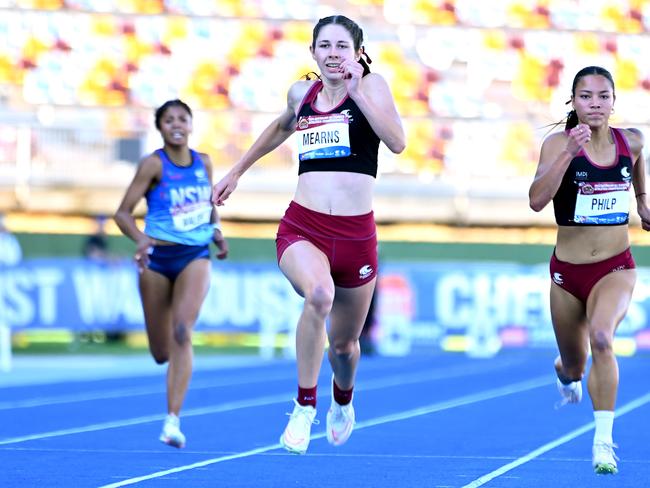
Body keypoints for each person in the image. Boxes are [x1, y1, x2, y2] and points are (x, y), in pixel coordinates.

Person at [213, 15, 405, 454]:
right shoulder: (303, 91)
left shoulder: (373, 87)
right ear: (313, 52)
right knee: (318, 295)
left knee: (345, 345)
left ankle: (343, 398)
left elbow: (397, 142)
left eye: (342, 46)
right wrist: (236, 171)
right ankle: (304, 406)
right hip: (304, 225)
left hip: (356, 235)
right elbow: (282, 126)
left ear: (357, 52)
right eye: (325, 46)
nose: (333, 54)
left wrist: (357, 92)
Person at [529, 66, 649, 474]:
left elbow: (636, 164)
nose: (594, 104)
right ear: (573, 102)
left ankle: (603, 442)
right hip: (567, 275)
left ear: (613, 101)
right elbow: (536, 200)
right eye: (585, 96)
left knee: (602, 338)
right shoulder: (557, 143)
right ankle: (565, 372)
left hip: (616, 267)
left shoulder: (630, 140)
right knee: (575, 364)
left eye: (602, 96)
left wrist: (643, 201)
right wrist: (568, 152)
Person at [114, 99, 228, 449]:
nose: (176, 124)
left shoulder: (203, 162)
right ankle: (171, 402)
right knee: (161, 352)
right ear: (160, 127)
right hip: (157, 260)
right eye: (168, 120)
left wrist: (217, 231)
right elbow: (121, 214)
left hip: (195, 254)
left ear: (191, 124)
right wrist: (141, 239)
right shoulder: (153, 165)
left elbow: (208, 205)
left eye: (182, 118)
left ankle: (172, 421)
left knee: (183, 331)